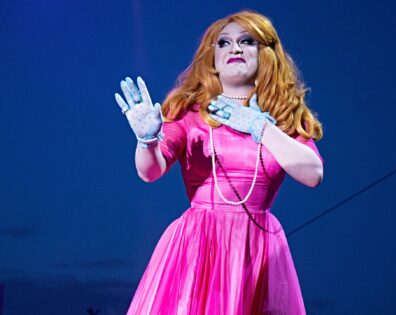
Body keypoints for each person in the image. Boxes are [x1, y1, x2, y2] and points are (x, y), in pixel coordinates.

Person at [115, 10, 324, 315]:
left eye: (246, 41)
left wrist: (261, 127)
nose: (234, 49)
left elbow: (313, 174)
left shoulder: (284, 117)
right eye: (223, 43)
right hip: (199, 244)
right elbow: (151, 171)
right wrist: (146, 140)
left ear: (266, 53)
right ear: (211, 58)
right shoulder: (190, 112)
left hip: (258, 246)